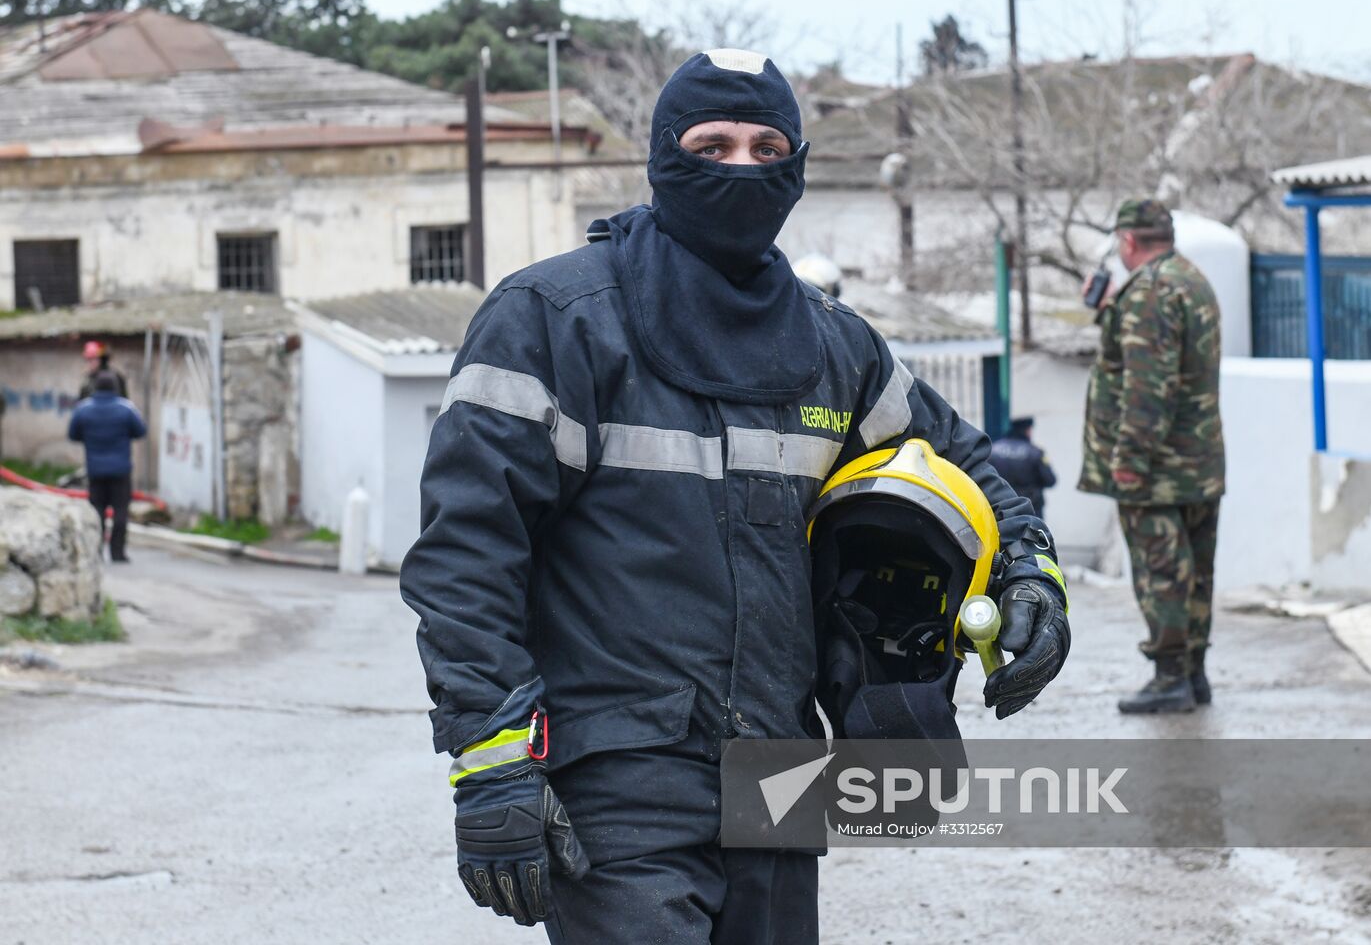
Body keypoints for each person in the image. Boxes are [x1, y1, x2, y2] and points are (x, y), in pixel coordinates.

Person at [401, 49, 1071, 944]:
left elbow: (972, 478)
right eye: (711, 144)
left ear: (795, 165)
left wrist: (1029, 575)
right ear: (661, 159)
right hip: (616, 776)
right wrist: (490, 761)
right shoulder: (551, 322)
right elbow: (465, 555)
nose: (741, 167)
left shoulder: (836, 347)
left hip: (776, 776)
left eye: (767, 146)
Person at [1078, 198, 1225, 714]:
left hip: (1156, 470)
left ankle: (1170, 679)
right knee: (1196, 573)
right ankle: (1194, 674)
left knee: (1162, 575)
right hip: (1198, 462)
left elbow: (1147, 386)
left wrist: (1129, 461)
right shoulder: (1190, 279)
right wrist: (1112, 314)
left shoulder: (1150, 292)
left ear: (1128, 241)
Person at [68, 370, 146, 562]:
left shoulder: (83, 409)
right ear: (116, 388)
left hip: (95, 470)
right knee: (120, 511)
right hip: (121, 470)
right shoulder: (126, 409)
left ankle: (96, 552)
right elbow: (140, 431)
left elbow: (73, 434)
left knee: (97, 511)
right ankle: (117, 553)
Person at [989, 416, 1057, 519]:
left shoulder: (993, 450)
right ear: (1027, 430)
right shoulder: (1035, 452)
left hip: (1001, 509)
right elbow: (1050, 480)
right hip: (1030, 509)